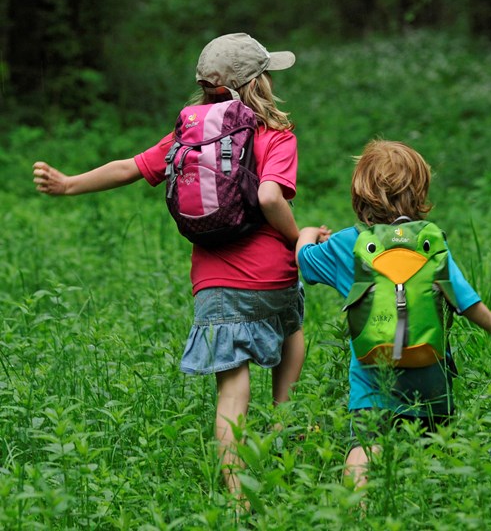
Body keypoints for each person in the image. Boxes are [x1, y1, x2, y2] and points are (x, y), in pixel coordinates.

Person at [33, 32, 306, 498]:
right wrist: (298, 239)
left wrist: (68, 184)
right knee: (292, 328)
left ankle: (237, 499)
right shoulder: (275, 135)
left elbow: (130, 167)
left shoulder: (190, 135)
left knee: (231, 391)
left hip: (215, 283)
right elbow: (268, 195)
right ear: (258, 82)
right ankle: (283, 422)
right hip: (272, 276)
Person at [295, 139, 491, 488]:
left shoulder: (349, 243)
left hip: (374, 374)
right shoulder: (431, 243)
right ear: (420, 195)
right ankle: (435, 503)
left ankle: (354, 511)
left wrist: (308, 233)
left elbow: (305, 263)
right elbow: (464, 300)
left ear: (359, 199)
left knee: (365, 442)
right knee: (435, 444)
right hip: (430, 370)